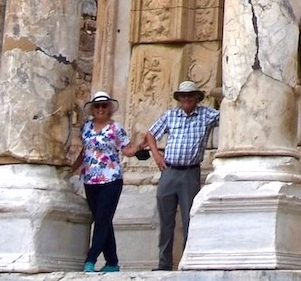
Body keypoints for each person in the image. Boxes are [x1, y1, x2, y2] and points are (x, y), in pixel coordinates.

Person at [143, 80, 220, 268]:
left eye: (190, 96)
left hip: (189, 173)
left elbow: (231, 114)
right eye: (183, 96)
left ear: (196, 98)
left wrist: (223, 94)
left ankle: (188, 261)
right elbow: (150, 134)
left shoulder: (206, 114)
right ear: (179, 99)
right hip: (169, 171)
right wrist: (157, 156)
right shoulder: (171, 115)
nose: (186, 99)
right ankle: (164, 263)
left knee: (189, 219)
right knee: (166, 220)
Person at [67, 91, 130, 273]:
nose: (101, 109)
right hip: (90, 179)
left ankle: (91, 258)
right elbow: (85, 151)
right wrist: (72, 168)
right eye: (97, 106)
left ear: (109, 108)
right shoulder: (86, 127)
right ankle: (112, 261)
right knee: (103, 219)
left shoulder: (116, 128)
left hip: (111, 178)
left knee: (102, 220)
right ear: (93, 109)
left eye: (104, 105)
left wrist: (139, 149)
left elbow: (126, 148)